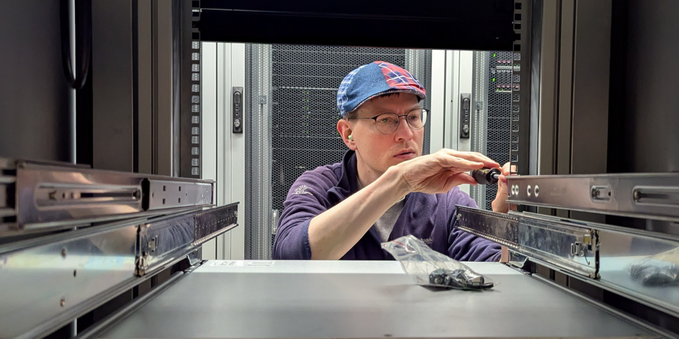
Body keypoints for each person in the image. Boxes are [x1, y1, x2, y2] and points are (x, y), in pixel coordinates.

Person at [272, 61, 510, 261]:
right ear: (348, 134)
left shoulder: (447, 201)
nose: (406, 133)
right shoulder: (319, 188)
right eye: (386, 120)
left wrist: (506, 219)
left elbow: (494, 271)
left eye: (413, 117)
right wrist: (400, 181)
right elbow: (290, 255)